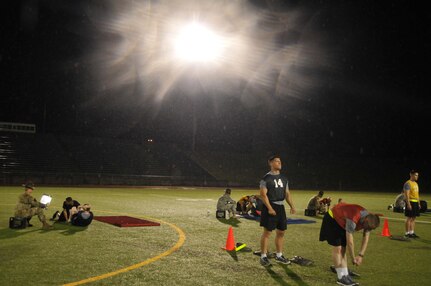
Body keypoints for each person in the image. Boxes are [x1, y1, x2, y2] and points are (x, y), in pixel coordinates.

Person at [319, 203, 380, 286]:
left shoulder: (368, 220)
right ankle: (341, 277)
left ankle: (345, 274)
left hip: (342, 221)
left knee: (343, 249)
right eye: (366, 228)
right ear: (364, 221)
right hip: (332, 218)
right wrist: (353, 258)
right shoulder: (353, 218)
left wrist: (361, 255)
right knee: (338, 248)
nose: (366, 230)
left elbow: (366, 237)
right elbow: (350, 242)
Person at [259, 155, 296, 267]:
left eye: (280, 161)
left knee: (281, 232)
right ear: (270, 163)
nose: (279, 163)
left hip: (281, 208)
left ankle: (279, 255)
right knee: (267, 233)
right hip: (270, 206)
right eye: (277, 161)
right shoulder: (265, 179)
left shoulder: (284, 178)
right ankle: (263, 256)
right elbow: (263, 195)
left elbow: (287, 194)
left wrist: (292, 206)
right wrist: (270, 208)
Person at [404, 170, 421, 238]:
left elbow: (417, 194)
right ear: (411, 175)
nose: (417, 176)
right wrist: (408, 204)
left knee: (414, 218)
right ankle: (407, 233)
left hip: (415, 202)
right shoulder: (407, 183)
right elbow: (406, 195)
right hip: (410, 202)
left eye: (417, 175)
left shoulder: (416, 184)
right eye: (416, 175)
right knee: (409, 218)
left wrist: (419, 203)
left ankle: (412, 232)